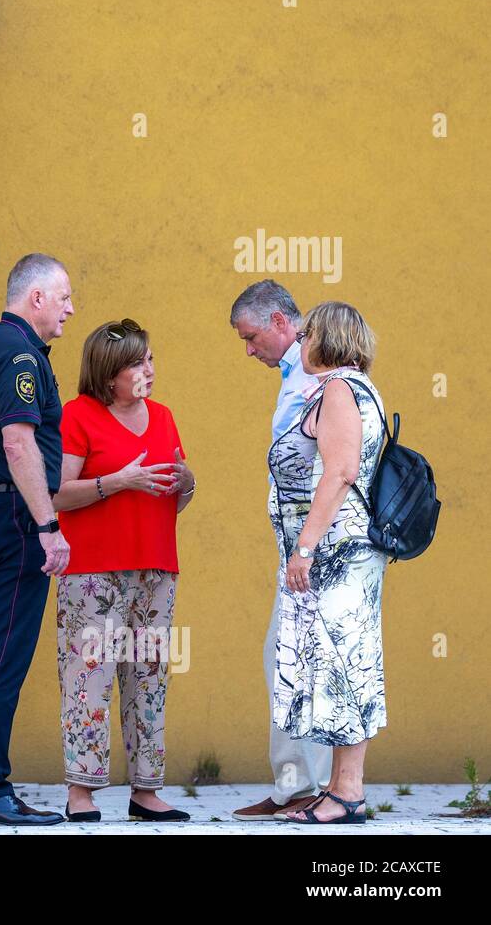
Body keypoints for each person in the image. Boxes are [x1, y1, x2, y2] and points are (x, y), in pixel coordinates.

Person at [52, 319, 194, 822]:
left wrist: (188, 482)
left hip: (156, 567)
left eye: (150, 359)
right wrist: (118, 481)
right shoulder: (78, 416)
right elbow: (58, 494)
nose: (148, 370)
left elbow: (171, 497)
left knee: (149, 678)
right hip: (93, 572)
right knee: (89, 677)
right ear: (108, 373)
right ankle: (81, 793)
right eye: (137, 362)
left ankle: (146, 791)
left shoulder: (164, 416)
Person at [0, 253, 74, 827]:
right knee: (3, 660)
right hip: (14, 518)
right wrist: (48, 525)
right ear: (36, 298)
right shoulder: (21, 353)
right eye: (64, 297)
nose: (70, 309)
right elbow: (18, 444)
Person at [271, 302, 389, 825]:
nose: (299, 340)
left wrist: (305, 547)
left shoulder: (341, 390)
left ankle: (347, 794)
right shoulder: (353, 387)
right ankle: (344, 791)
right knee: (344, 664)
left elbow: (338, 473)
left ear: (329, 338)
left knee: (344, 666)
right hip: (345, 550)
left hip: (339, 550)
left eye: (306, 333)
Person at [229, 281, 332, 821]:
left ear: (276, 321)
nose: (248, 350)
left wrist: (309, 546)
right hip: (297, 549)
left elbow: (335, 463)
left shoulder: (318, 368)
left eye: (250, 337)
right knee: (287, 661)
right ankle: (299, 787)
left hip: (314, 552)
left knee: (300, 664)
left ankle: (314, 790)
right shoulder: (296, 371)